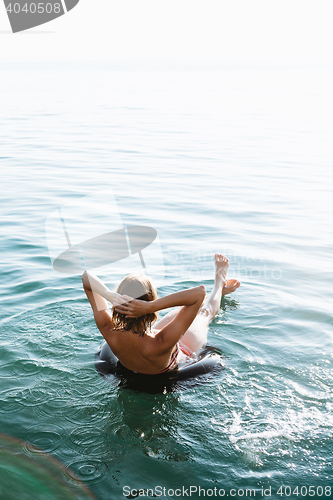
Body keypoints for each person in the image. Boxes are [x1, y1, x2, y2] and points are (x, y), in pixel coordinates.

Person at [82, 254, 240, 375]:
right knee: (204, 313)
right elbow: (198, 293)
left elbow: (86, 276)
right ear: (148, 304)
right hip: (183, 353)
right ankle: (219, 285)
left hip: (141, 346)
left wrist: (109, 295)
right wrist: (150, 307)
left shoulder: (108, 330)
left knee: (180, 312)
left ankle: (219, 293)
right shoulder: (162, 341)